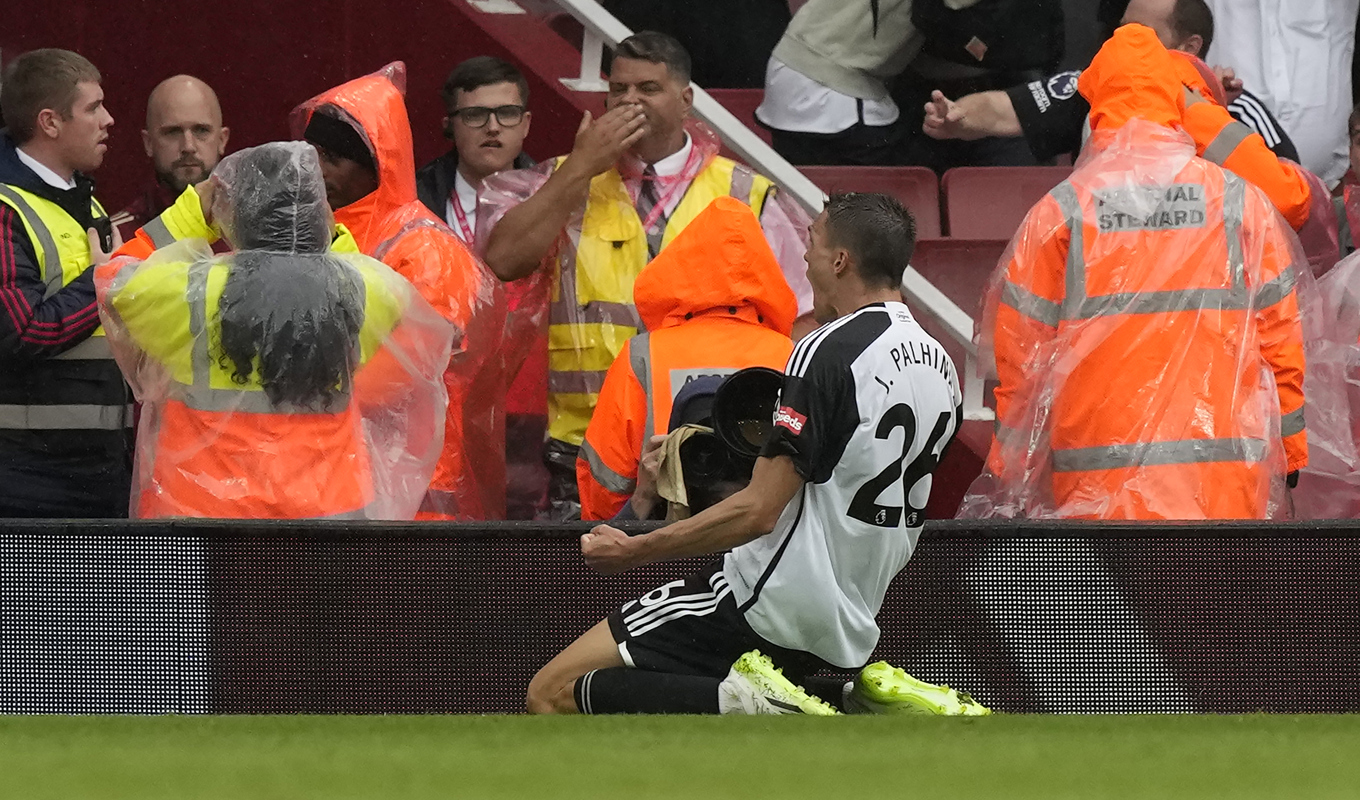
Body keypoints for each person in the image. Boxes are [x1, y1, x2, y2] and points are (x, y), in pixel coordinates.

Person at [527, 192, 988, 717]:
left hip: (766, 593)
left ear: (840, 260)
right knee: (708, 707)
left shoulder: (826, 347)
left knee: (550, 692)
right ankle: (862, 701)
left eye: (812, 241)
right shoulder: (944, 367)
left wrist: (634, 551)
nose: (805, 257)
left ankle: (755, 704)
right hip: (853, 609)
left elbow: (759, 511)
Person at [960, 24, 1307, 521]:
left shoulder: (1060, 213)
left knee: (1114, 604)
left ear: (1096, 101)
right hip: (1227, 480)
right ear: (1176, 99)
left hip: (1097, 486)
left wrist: (1012, 463)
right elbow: (1281, 337)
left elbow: (1019, 355)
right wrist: (1290, 450)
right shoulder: (1239, 203)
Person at [481, 31, 814, 520]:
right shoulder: (566, 178)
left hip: (714, 445)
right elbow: (503, 260)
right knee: (591, 587)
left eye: (648, 89)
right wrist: (581, 166)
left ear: (685, 101)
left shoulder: (746, 192)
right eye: (618, 89)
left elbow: (803, 319)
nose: (630, 101)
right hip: (585, 441)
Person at [95, 142, 453, 519]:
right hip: (327, 518)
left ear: (232, 212)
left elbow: (115, 282)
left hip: (202, 521)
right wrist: (318, 234)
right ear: (321, 212)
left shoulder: (191, 293)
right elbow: (353, 268)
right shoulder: (367, 290)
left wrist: (189, 213)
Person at [295, 62, 510, 520]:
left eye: (332, 158)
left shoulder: (425, 249)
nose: (315, 171)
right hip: (351, 479)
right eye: (311, 154)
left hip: (419, 490)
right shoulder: (332, 236)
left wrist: (291, 392)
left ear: (376, 163)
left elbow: (399, 377)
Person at [576, 196, 797, 520]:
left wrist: (626, 523)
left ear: (682, 266)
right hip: (766, 542)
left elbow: (606, 481)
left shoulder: (642, 355)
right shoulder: (791, 355)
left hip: (663, 543)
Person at [922, 0, 1300, 165]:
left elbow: (1291, 192)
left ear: (1190, 46)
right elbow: (1006, 109)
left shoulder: (1239, 108)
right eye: (1121, 31)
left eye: (1141, 32)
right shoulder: (1093, 86)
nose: (1124, 43)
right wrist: (958, 116)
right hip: (1111, 273)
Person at [0, 48, 131, 518]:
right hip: (27, 482)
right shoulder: (4, 209)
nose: (109, 120)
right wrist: (102, 280)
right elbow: (21, 332)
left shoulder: (85, 201)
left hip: (99, 470)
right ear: (50, 123)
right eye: (93, 108)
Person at [416, 55, 545, 520]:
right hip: (437, 396)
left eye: (506, 114)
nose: (493, 127)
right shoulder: (414, 200)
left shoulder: (553, 197)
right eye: (475, 115)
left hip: (529, 404)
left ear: (526, 123)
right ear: (450, 125)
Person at [110, 75, 229, 244]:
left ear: (222, 139)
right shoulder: (118, 237)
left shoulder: (254, 232)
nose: (188, 146)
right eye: (173, 132)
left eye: (201, 130)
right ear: (148, 143)